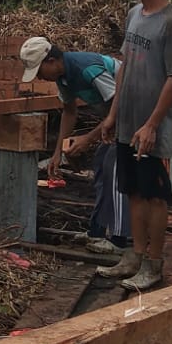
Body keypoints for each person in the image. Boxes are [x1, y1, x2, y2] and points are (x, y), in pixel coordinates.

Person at [105, 0, 172, 292]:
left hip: (150, 126)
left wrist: (153, 123)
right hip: (128, 119)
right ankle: (134, 256)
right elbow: (124, 63)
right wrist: (113, 113)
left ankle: (155, 264)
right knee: (133, 191)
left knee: (154, 195)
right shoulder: (134, 14)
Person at [19, 35, 128, 254]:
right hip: (115, 121)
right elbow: (69, 112)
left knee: (116, 171)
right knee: (102, 169)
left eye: (40, 71)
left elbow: (122, 105)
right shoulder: (64, 78)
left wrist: (88, 138)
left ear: (51, 61)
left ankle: (119, 241)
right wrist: (57, 153)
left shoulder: (86, 67)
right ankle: (97, 233)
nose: (40, 77)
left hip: (133, 113)